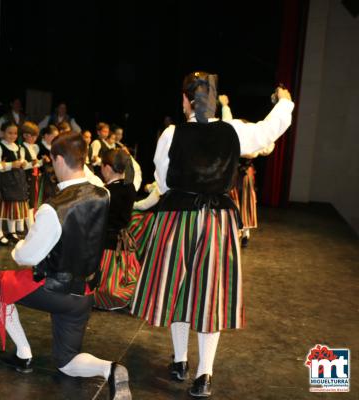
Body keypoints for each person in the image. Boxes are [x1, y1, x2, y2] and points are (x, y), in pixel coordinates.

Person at [130, 71, 294, 397]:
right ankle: (203, 375)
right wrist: (286, 103)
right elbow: (267, 131)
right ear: (216, 99)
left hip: (178, 219)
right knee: (210, 295)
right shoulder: (233, 131)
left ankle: (180, 362)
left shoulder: (171, 133)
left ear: (186, 100)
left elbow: (163, 182)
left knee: (177, 290)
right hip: (217, 223)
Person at [0, 132, 131, 400]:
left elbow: (27, 257)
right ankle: (110, 369)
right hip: (86, 294)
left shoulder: (53, 208)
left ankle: (23, 355)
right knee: (66, 363)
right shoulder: (102, 193)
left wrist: (17, 247)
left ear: (57, 159)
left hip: (55, 290)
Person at [220, 94, 275, 247]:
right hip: (240, 173)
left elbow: (267, 147)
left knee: (242, 200)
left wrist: (225, 105)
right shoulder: (247, 142)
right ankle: (242, 232)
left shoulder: (242, 142)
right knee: (241, 200)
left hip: (241, 174)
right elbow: (267, 147)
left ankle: (243, 232)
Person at [93, 149, 139, 310]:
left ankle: (109, 296)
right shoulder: (130, 186)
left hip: (107, 242)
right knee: (126, 273)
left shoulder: (107, 192)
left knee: (106, 281)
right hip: (123, 238)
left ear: (107, 167)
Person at [0, 122, 29, 244]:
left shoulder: (18, 147)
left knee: (12, 207)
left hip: (15, 181)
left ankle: (11, 232)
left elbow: (23, 163)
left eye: (15, 133)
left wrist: (24, 164)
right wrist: (11, 165)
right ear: (2, 133)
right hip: (2, 181)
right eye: (9, 133)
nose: (13, 136)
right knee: (0, 209)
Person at [20, 121, 43, 229]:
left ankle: (29, 226)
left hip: (34, 177)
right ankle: (30, 227)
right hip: (26, 178)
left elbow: (36, 163)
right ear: (25, 135)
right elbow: (23, 165)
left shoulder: (33, 147)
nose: (34, 138)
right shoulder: (22, 148)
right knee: (28, 202)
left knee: (32, 201)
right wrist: (32, 163)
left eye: (36, 136)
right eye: (32, 135)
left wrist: (42, 161)